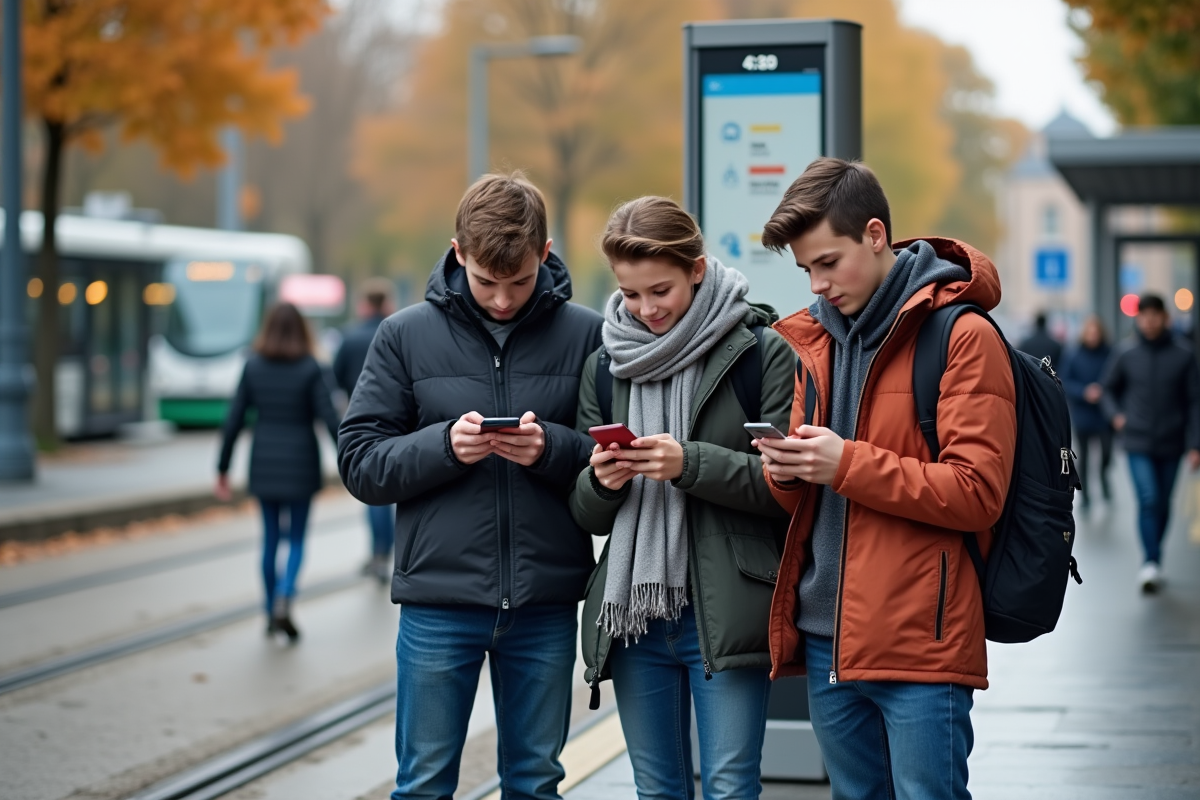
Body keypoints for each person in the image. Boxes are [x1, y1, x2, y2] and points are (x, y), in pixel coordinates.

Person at [752, 157, 1017, 800]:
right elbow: (805, 497)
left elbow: (977, 492)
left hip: (920, 640)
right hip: (826, 638)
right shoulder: (814, 341)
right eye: (806, 270)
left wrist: (843, 464)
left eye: (828, 262)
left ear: (875, 235)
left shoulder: (962, 335)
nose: (818, 285)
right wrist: (786, 471)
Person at [337, 172, 603, 800]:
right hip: (439, 602)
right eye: (486, 281)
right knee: (424, 785)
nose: (503, 300)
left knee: (535, 783)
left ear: (545, 253)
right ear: (458, 253)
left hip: (544, 600)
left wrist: (550, 449)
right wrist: (443, 447)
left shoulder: (588, 333)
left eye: (520, 281)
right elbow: (359, 462)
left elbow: (613, 457)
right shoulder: (403, 335)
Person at [569, 197, 793, 800]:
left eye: (660, 290)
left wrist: (688, 463)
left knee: (729, 787)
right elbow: (585, 513)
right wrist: (602, 481)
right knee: (657, 789)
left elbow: (787, 489)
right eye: (630, 293)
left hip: (723, 609)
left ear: (696, 269)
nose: (646, 309)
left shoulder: (760, 352)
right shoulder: (606, 365)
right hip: (634, 617)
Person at [216, 302, 341, 642]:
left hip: (264, 461)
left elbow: (234, 419)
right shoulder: (312, 367)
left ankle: (271, 609)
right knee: (297, 538)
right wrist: (350, 460)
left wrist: (223, 468)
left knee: (270, 539)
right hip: (301, 461)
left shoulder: (253, 366)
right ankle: (286, 595)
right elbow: (330, 419)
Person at [1101, 293, 1200, 594]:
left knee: (1164, 503)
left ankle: (1155, 556)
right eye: (1144, 315)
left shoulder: (1184, 355)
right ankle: (1150, 562)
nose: (1149, 321)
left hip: (1172, 442)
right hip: (1137, 440)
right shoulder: (1126, 353)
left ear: (1164, 318)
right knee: (1149, 498)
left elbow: (1194, 402)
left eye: (1155, 315)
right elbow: (1107, 389)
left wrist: (1195, 445)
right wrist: (1117, 416)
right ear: (1138, 318)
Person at [333, 278, 397, 582]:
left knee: (373, 490)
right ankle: (389, 551)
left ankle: (377, 553)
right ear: (386, 303)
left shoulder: (350, 338)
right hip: (397, 422)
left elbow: (335, 379)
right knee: (395, 489)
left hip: (362, 420)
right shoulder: (397, 331)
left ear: (364, 305)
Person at [1062, 316, 1113, 508]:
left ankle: (1103, 478)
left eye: (1096, 332)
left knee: (1106, 452)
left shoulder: (1110, 353)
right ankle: (1086, 495)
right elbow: (1065, 381)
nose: (1093, 336)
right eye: (1090, 332)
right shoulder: (1074, 354)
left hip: (1104, 413)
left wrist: (1103, 390)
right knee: (1084, 456)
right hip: (1082, 413)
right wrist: (1084, 392)